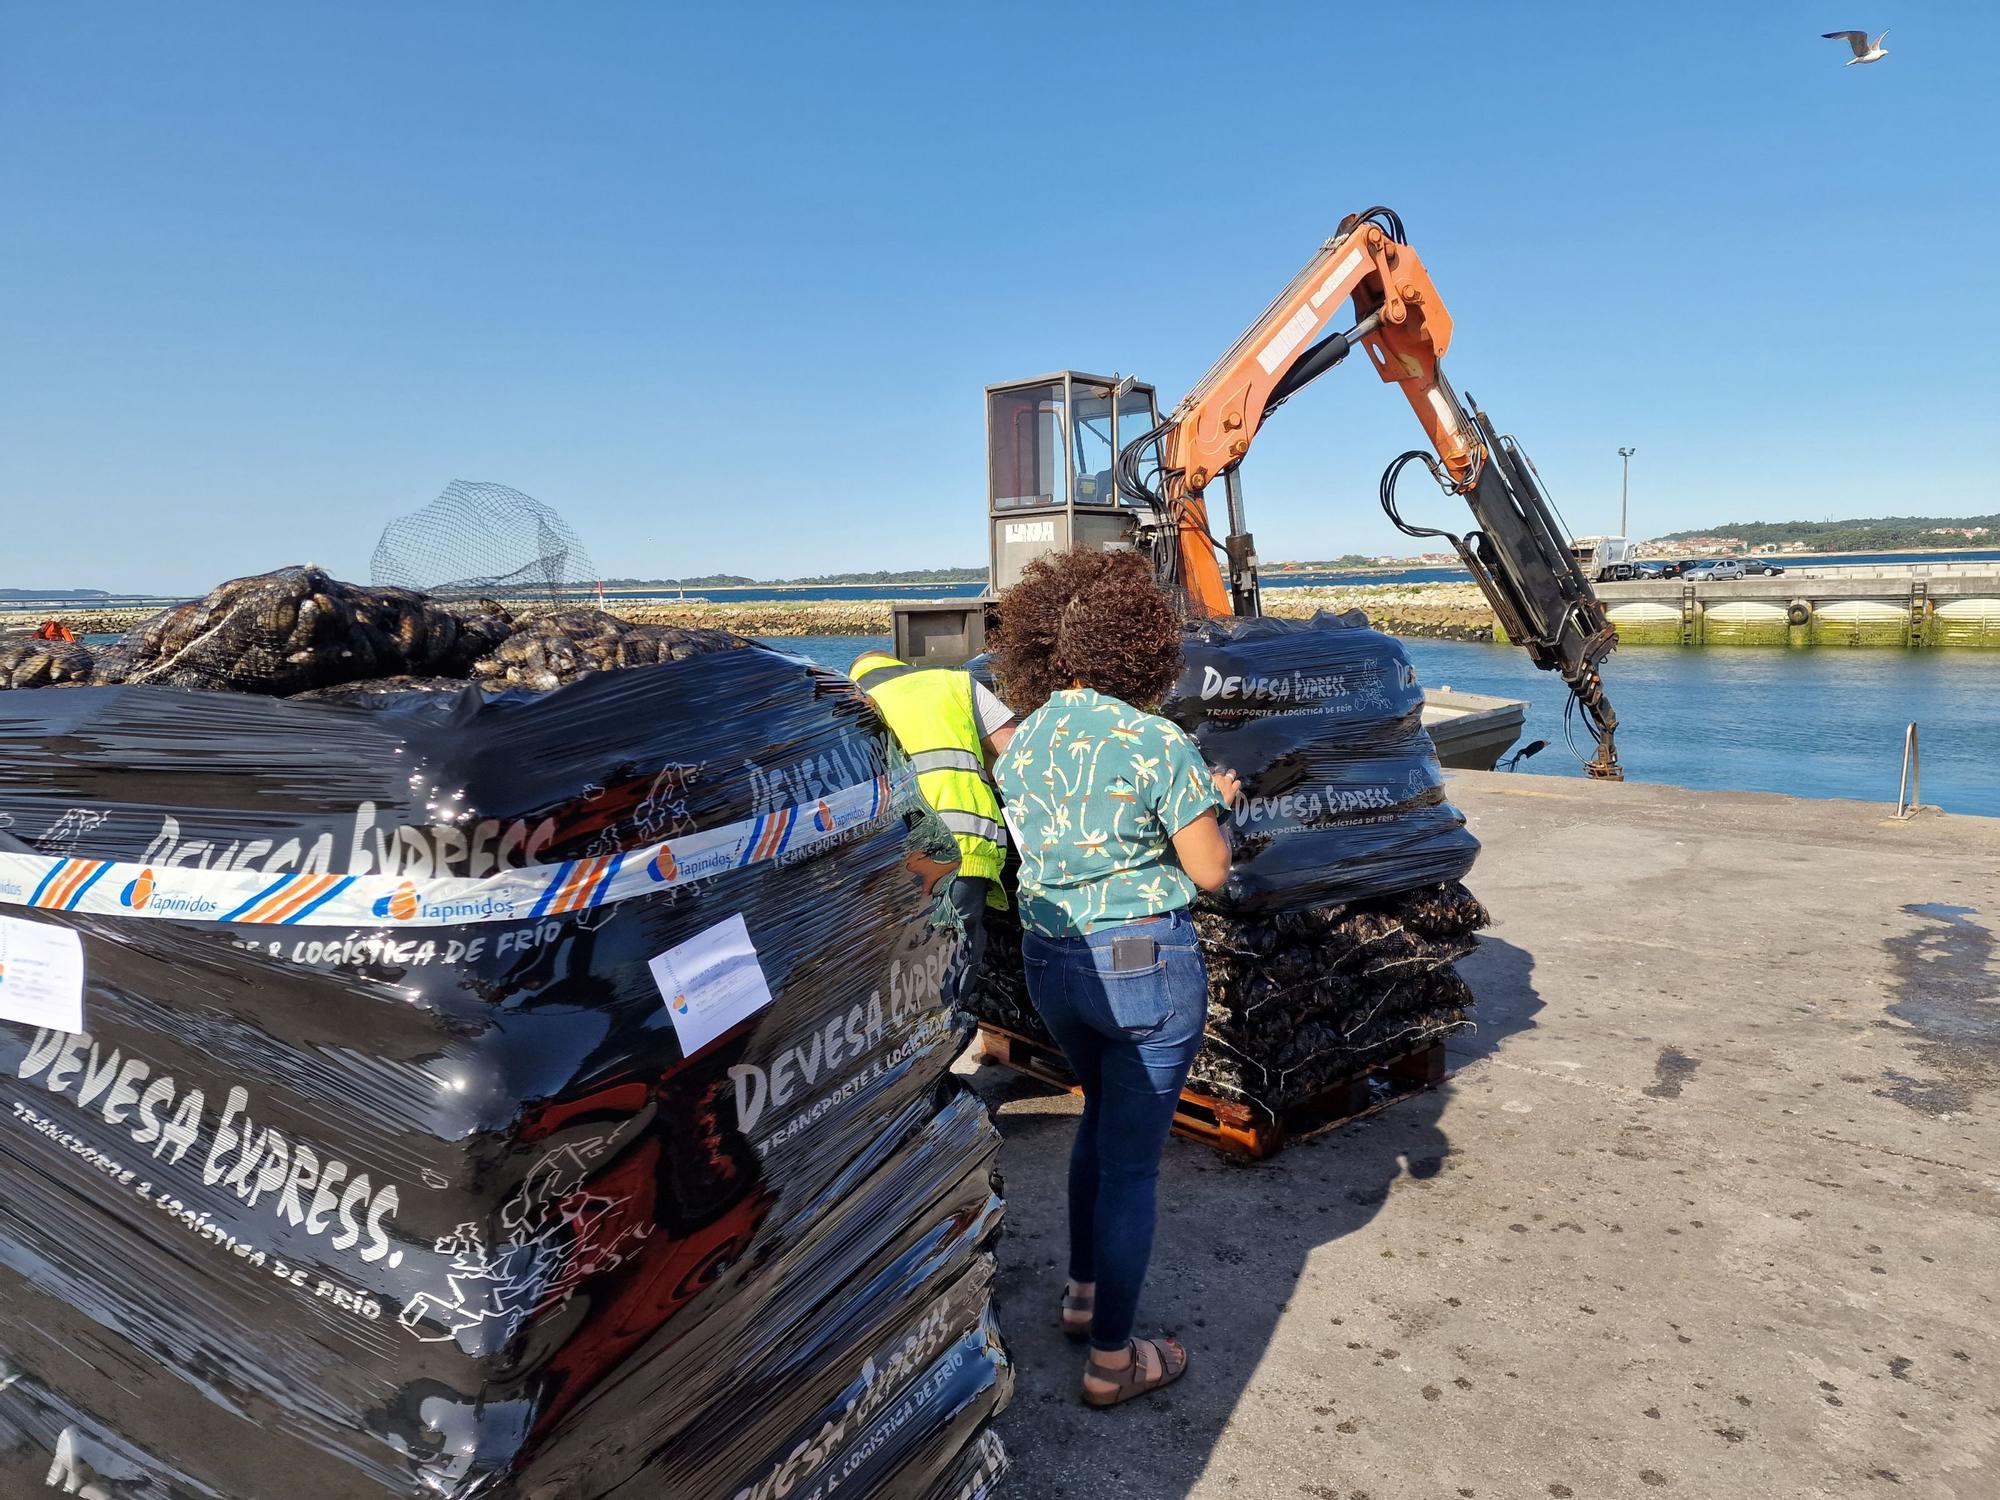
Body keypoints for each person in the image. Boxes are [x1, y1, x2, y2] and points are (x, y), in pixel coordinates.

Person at [989, 547, 1240, 1409]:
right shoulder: (1155, 738)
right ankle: (1110, 1361)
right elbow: (1207, 871)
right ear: (1140, 644)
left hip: (1051, 962)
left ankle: (1084, 1294)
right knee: (1133, 1166)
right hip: (1140, 963)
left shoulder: (1022, 741)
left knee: (1098, 1123)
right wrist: (1217, 802)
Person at [849, 649, 1016, 1002]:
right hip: (963, 849)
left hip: (889, 863)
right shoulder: (953, 683)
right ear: (900, 666)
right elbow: (1015, 753)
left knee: (897, 969)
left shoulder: (851, 702)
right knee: (951, 963)